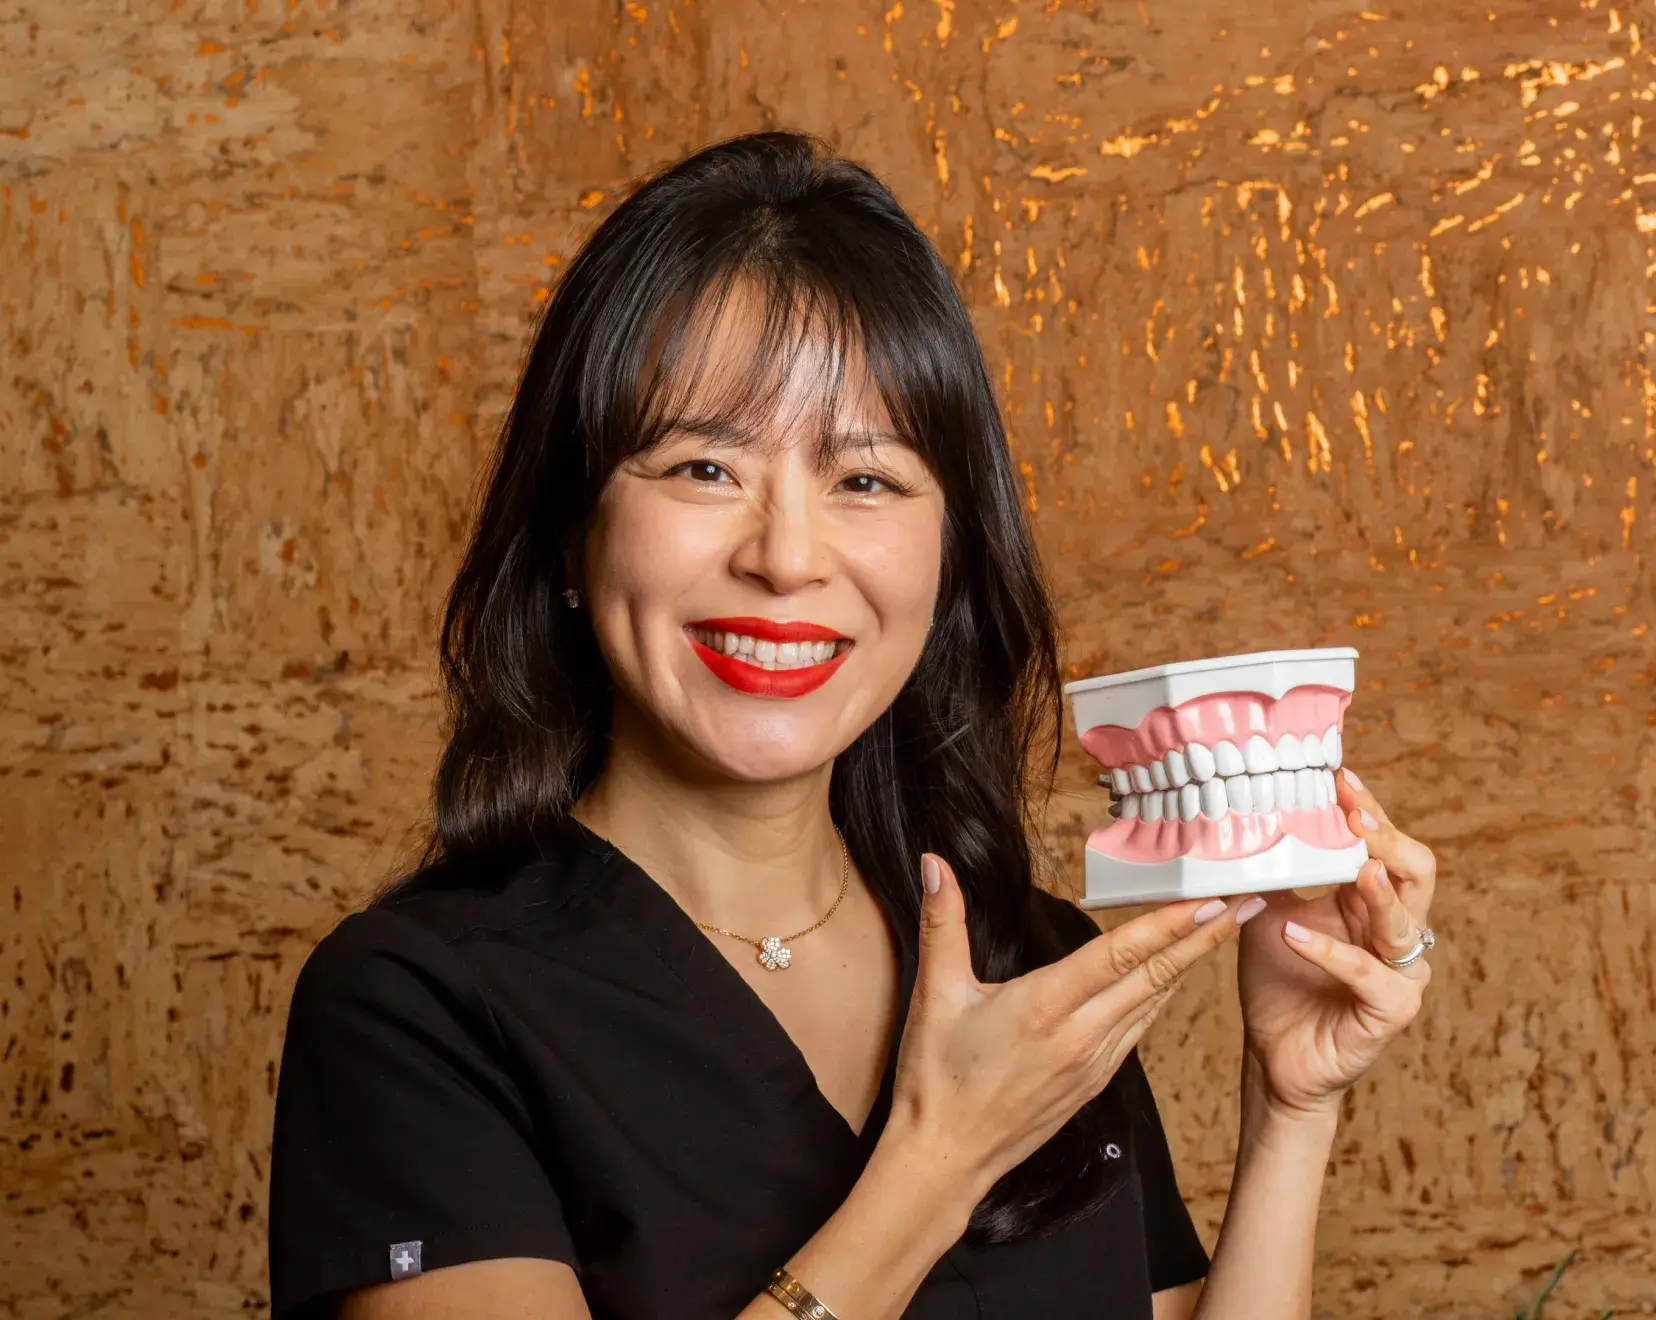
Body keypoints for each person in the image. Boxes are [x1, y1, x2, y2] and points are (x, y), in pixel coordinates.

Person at [267, 130, 1438, 1320]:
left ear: (945, 559)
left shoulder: (1025, 960)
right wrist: (938, 1163)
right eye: (701, 469)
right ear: (573, 532)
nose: (784, 558)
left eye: (865, 481)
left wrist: (1289, 1109)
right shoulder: (416, 1006)